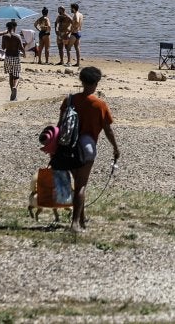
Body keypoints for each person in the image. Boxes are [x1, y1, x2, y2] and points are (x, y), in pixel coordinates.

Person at [60, 66, 119, 232]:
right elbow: (107, 130)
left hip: (68, 146)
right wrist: (115, 148)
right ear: (96, 83)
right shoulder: (99, 104)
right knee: (81, 186)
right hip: (87, 147)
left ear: (81, 80)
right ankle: (74, 223)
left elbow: (60, 125)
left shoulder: (69, 100)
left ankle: (82, 218)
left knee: (77, 183)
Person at [0, 20, 25, 101]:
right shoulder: (17, 36)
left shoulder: (4, 36)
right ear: (14, 27)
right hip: (15, 57)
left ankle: (12, 93)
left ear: (7, 28)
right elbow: (21, 47)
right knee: (16, 76)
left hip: (7, 57)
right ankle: (14, 87)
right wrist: (24, 53)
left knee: (10, 75)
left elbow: (3, 47)